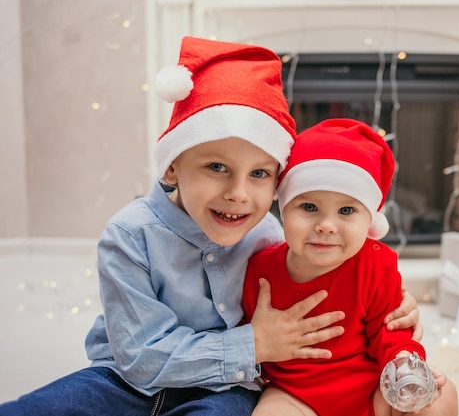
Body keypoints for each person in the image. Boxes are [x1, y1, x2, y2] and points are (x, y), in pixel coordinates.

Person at [0, 38, 421, 416]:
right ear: (172, 165)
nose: (239, 193)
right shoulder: (130, 236)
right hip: (121, 384)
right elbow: (140, 358)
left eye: (259, 174)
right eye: (216, 167)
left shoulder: (271, 238)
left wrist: (397, 319)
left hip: (227, 390)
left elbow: (344, 293)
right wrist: (254, 344)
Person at [242, 118, 459, 416]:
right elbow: (244, 331)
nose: (326, 226)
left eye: (346, 210)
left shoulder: (376, 264)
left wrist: (405, 361)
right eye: (308, 207)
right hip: (294, 395)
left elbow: (392, 331)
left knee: (442, 397)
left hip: (371, 390)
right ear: (283, 208)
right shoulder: (258, 267)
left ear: (369, 219)